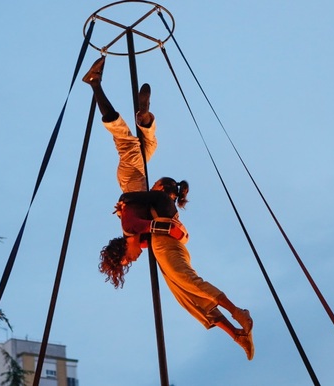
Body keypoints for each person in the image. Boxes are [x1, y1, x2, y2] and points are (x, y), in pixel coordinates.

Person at [83, 57, 255, 360]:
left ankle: (95, 85)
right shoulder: (140, 234)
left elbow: (148, 209)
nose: (134, 260)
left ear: (123, 251)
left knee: (125, 142)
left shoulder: (130, 225)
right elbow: (157, 219)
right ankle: (145, 118)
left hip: (131, 182)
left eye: (128, 261)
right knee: (146, 145)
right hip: (140, 184)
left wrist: (166, 203)